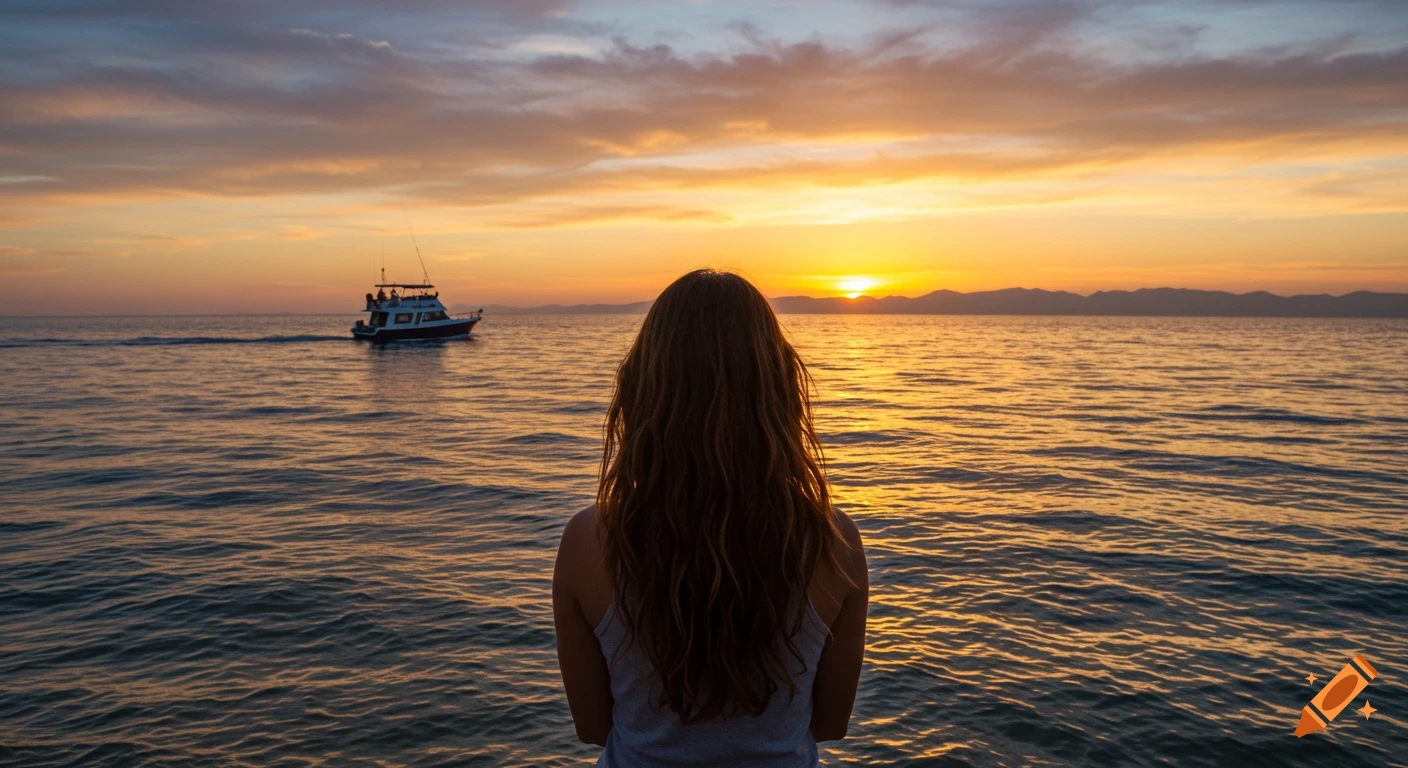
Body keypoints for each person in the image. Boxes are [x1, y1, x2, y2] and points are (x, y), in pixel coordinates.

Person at [553, 269, 869, 767]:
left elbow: (593, 729)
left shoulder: (587, 541)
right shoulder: (835, 542)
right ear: (778, 388)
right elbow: (830, 724)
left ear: (644, 387)